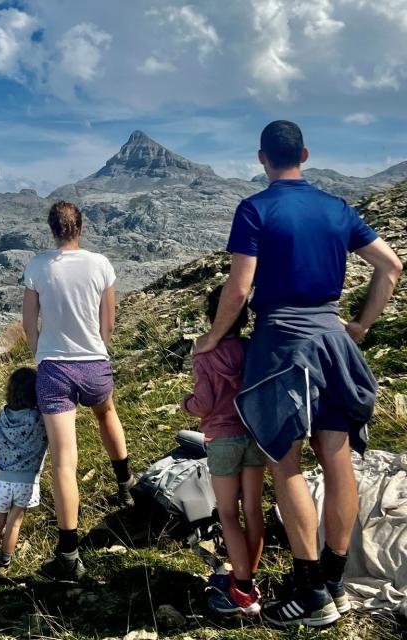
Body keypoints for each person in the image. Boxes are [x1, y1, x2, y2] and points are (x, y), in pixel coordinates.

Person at [195, 120, 402, 627]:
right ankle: (333, 579)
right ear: (304, 154)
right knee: (338, 460)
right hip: (333, 343)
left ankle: (311, 594)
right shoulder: (337, 209)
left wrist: (215, 337)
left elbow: (239, 288)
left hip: (280, 347)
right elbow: (391, 266)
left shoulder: (256, 209)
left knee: (284, 463)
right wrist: (359, 325)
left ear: (262, 159)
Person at [22, 200, 134, 582]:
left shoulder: (37, 266)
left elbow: (28, 322)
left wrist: (42, 356)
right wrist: (98, 347)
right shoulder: (101, 264)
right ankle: (126, 485)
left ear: (51, 228)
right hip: (94, 363)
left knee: (63, 462)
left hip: (54, 368)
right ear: (80, 227)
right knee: (107, 414)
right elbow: (109, 319)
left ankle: (69, 555)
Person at [182, 285, 265, 616]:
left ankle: (242, 592)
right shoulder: (251, 349)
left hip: (222, 440)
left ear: (210, 317)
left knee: (228, 513)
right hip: (254, 435)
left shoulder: (204, 354)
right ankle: (248, 576)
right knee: (254, 510)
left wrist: (185, 404)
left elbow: (203, 403)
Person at [0, 367, 47, 578]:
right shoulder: (38, 417)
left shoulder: (2, 415)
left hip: (2, 479)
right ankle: (3, 564)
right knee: (13, 523)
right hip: (26, 481)